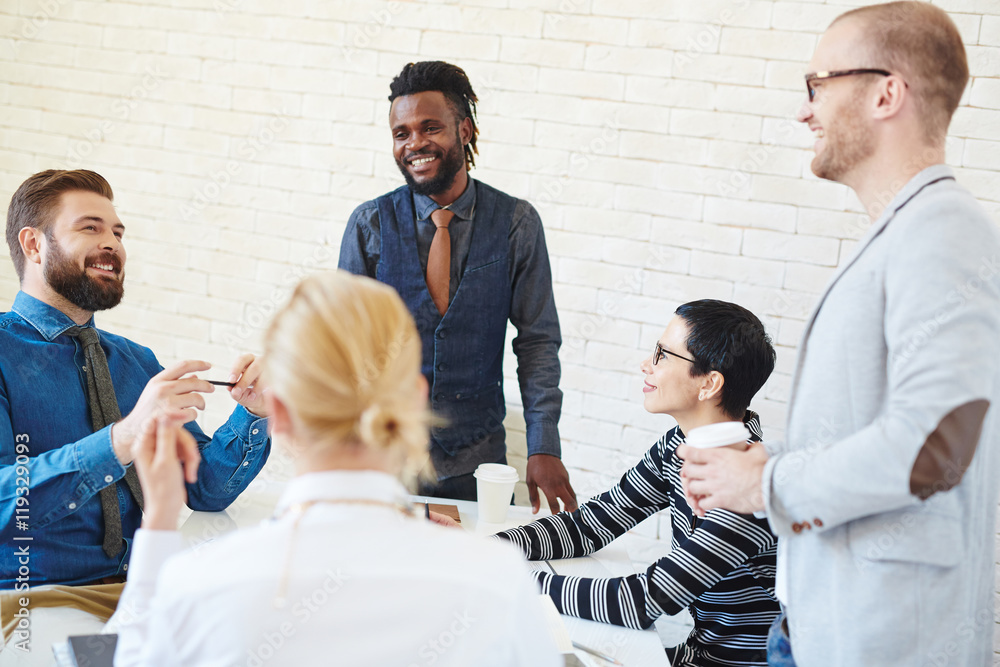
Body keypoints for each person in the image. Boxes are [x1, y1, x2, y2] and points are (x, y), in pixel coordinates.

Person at [677, 4, 1000, 665]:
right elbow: (883, 428)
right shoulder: (907, 235)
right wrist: (773, 461)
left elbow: (938, 445)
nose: (806, 111)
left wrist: (765, 486)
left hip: (882, 643)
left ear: (887, 92)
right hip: (820, 630)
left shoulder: (945, 235)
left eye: (817, 85)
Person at [111, 271, 561, 666]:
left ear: (279, 414)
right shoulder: (498, 581)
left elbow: (128, 653)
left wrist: (159, 524)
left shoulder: (198, 584)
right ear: (415, 398)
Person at [0, 170, 270, 655]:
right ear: (34, 245)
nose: (113, 244)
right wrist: (123, 439)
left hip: (149, 587)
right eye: (91, 228)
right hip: (33, 600)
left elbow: (205, 487)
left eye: (118, 232)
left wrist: (253, 414)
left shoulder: (136, 362)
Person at [338, 60, 577, 513]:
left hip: (478, 462)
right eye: (401, 133)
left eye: (430, 128)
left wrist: (545, 445)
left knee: (475, 572)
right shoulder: (369, 224)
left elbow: (538, 341)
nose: (415, 144)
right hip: (385, 457)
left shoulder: (515, 223)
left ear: (464, 130)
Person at [495, 300, 779, 666]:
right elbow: (592, 525)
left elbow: (640, 602)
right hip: (699, 654)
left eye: (663, 354)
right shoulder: (677, 448)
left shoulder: (745, 487)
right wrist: (490, 547)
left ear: (709, 383)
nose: (647, 364)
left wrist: (505, 574)